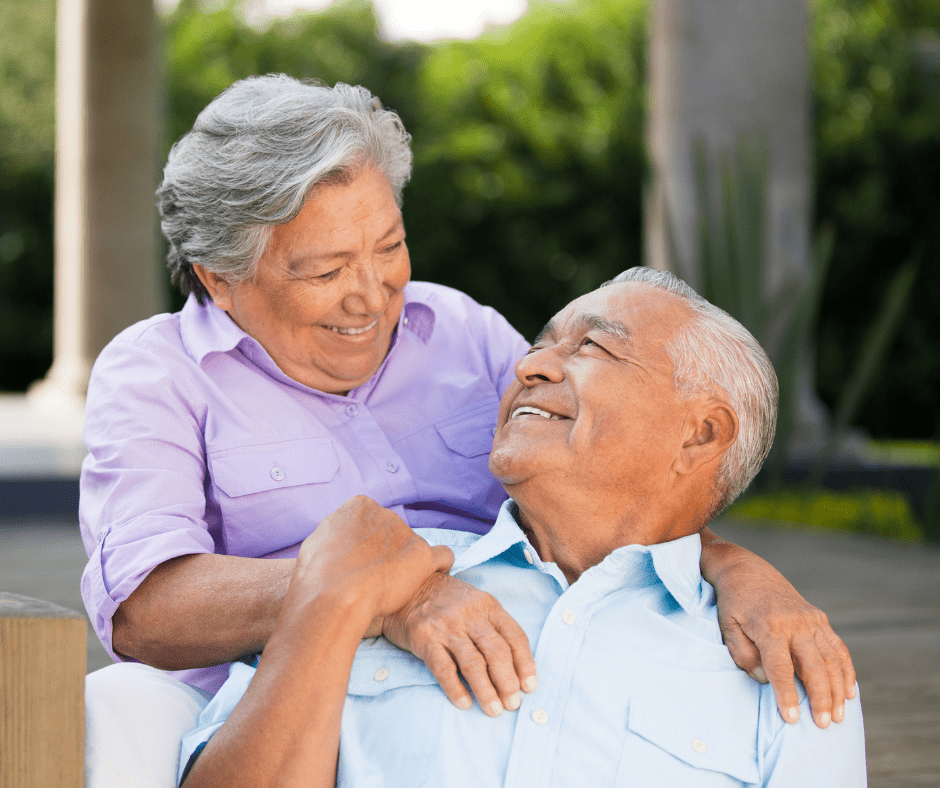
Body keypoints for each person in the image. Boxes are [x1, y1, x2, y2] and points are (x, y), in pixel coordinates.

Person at [79, 75, 854, 786]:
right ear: (220, 278)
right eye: (325, 272)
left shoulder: (459, 329)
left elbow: (613, 468)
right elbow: (146, 608)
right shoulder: (157, 373)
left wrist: (734, 566)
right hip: (294, 700)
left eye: (389, 248)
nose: (370, 298)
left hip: (512, 652)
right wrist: (384, 595)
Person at [178, 268, 867, 788]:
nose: (529, 365)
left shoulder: (789, 665)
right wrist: (332, 601)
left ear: (701, 435)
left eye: (593, 347)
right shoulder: (380, 583)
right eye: (540, 345)